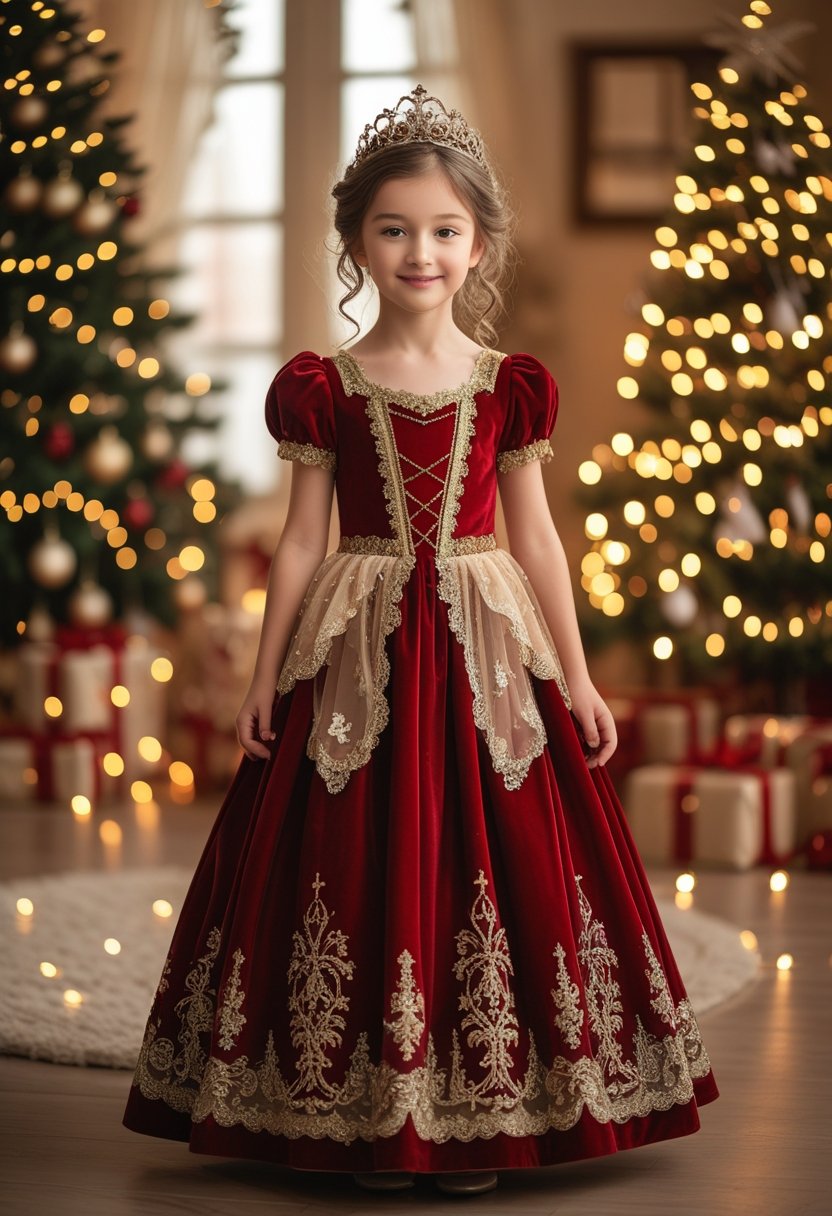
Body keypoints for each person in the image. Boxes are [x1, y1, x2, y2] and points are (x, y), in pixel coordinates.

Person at [122, 84, 719, 1197]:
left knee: (498, 860)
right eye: (392, 229)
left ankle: (482, 1110)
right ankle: (360, 1105)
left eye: (444, 230)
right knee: (353, 859)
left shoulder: (509, 387)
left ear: (478, 243)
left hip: (490, 648)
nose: (419, 251)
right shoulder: (324, 390)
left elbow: (538, 541)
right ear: (356, 241)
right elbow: (301, 546)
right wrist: (264, 681)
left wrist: (577, 679)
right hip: (359, 650)